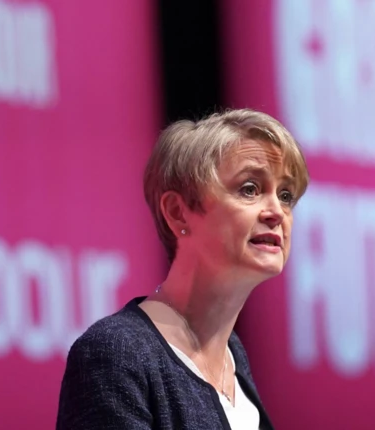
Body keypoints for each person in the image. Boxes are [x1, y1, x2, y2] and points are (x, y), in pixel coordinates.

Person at [56, 108, 310, 429]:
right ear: (178, 213)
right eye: (249, 189)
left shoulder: (233, 356)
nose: (277, 211)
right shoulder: (116, 355)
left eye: (286, 195)